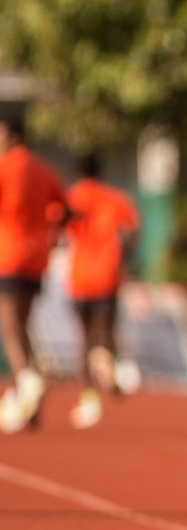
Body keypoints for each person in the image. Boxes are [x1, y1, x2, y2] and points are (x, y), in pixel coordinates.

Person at [63, 154, 141, 429]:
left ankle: (88, 396)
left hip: (80, 276)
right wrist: (124, 258)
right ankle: (113, 368)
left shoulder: (72, 197)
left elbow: (60, 225)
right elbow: (133, 231)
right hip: (108, 275)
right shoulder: (115, 198)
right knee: (105, 331)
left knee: (83, 337)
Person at [0, 114, 66, 434]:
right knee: (24, 326)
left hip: (9, 255)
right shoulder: (44, 170)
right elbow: (65, 208)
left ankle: (26, 379)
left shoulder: (4, 168)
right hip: (37, 257)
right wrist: (51, 238)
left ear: (13, 136)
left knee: (10, 326)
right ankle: (24, 402)